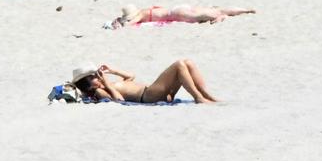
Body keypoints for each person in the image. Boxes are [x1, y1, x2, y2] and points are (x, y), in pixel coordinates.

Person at [71, 60, 219, 104]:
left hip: (158, 93)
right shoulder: (100, 91)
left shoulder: (105, 85)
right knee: (179, 65)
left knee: (188, 63)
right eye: (93, 77)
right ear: (88, 85)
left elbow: (131, 77)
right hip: (149, 95)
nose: (98, 77)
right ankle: (198, 98)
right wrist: (108, 84)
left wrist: (112, 70)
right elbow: (119, 100)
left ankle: (206, 95)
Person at [109, 4, 253, 27]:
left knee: (202, 16)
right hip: (177, 8)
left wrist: (121, 24)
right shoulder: (145, 9)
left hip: (176, 14)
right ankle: (245, 10)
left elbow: (131, 23)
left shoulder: (141, 14)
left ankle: (221, 17)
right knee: (214, 9)